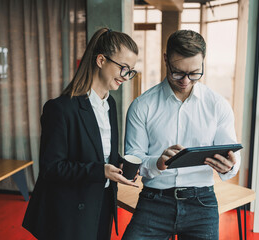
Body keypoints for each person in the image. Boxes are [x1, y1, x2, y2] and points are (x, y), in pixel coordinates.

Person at [123, 29, 241, 240]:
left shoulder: (218, 106)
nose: (185, 81)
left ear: (203, 62)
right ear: (166, 59)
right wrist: (157, 163)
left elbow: (231, 152)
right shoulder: (141, 106)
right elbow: (133, 158)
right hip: (154, 201)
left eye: (194, 73)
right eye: (177, 72)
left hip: (202, 202)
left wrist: (231, 165)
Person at [22, 27, 139, 240]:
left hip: (102, 203)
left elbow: (97, 152)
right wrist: (100, 171)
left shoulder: (110, 104)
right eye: (123, 68)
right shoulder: (60, 108)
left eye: (131, 71)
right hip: (70, 214)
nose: (126, 76)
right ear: (101, 60)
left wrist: (119, 163)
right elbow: (51, 168)